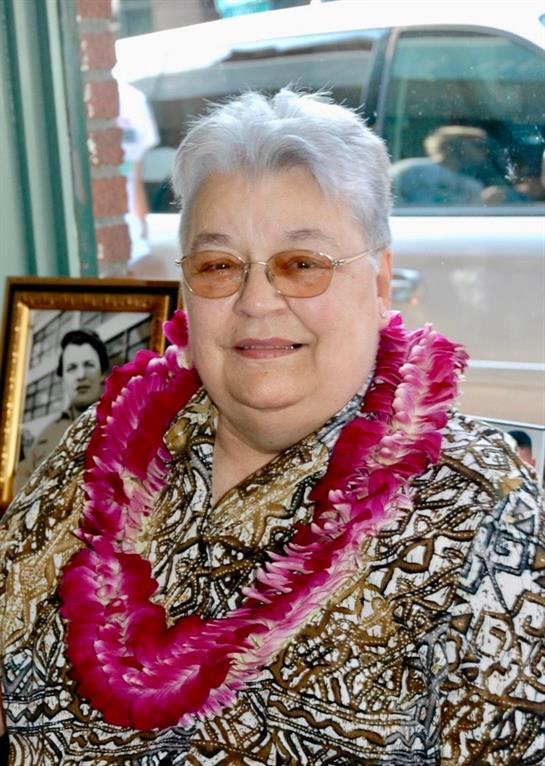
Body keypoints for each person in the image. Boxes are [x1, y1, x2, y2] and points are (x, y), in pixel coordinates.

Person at [0, 90, 543, 765]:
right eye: (219, 266)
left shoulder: (480, 509)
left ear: (378, 284)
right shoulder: (107, 441)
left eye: (302, 264)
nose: (257, 301)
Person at [13, 328, 109, 493]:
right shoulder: (48, 434)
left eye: (89, 365)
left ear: (103, 373)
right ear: (63, 379)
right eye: (71, 368)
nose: (81, 375)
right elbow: (22, 481)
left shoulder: (122, 424)